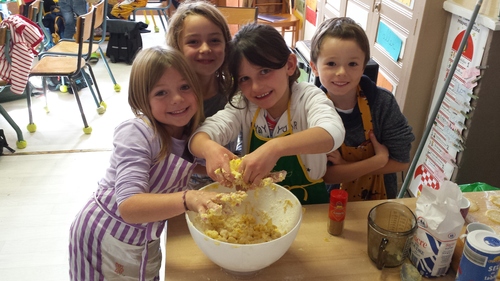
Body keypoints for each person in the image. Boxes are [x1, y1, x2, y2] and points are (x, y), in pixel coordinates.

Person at [69, 46, 227, 280]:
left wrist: (215, 167)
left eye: (185, 87)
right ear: (142, 100)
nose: (177, 99)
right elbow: (129, 206)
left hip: (144, 237)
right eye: (161, 92)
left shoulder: (188, 133)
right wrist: (189, 198)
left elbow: (173, 166)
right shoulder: (137, 132)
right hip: (105, 233)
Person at [188, 24, 345, 205]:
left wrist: (274, 148)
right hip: (260, 205)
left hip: (312, 206)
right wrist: (209, 148)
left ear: (289, 65)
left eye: (264, 71)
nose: (256, 87)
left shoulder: (307, 97)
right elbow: (199, 137)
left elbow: (333, 132)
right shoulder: (244, 105)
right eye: (244, 79)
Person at [310, 17, 415, 201]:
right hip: (329, 205)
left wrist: (345, 165)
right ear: (314, 67)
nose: (342, 72)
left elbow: (401, 161)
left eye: (352, 64)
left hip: (378, 201)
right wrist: (378, 160)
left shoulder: (382, 104)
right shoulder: (310, 110)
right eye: (331, 64)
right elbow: (326, 175)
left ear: (363, 67)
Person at [166, 0, 240, 189]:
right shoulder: (169, 100)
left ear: (226, 45)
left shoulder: (234, 90)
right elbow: (165, 157)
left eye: (214, 40)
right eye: (193, 42)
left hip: (231, 186)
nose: (205, 49)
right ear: (177, 47)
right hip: (181, 190)